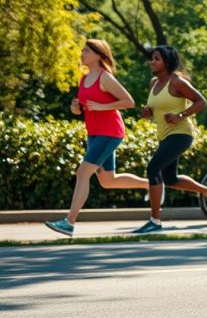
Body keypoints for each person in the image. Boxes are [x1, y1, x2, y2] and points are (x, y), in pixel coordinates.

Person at [44, 40, 149, 237]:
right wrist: (76, 109)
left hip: (110, 132)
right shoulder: (84, 79)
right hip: (94, 132)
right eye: (82, 49)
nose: (82, 53)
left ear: (98, 55)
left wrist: (103, 107)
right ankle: (150, 184)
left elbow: (129, 102)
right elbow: (85, 106)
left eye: (86, 50)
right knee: (108, 181)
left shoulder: (105, 77)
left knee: (83, 173)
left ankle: (69, 222)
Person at [134, 45, 207, 234]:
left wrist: (180, 116)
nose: (152, 61)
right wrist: (147, 113)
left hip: (181, 134)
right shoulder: (153, 83)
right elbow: (155, 110)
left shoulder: (177, 81)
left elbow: (201, 101)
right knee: (170, 179)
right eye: (152, 58)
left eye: (156, 58)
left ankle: (155, 221)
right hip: (164, 135)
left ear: (166, 61)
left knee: (152, 168)